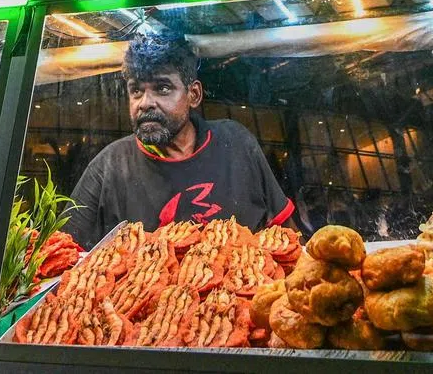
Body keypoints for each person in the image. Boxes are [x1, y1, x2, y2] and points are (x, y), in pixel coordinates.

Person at [65, 32, 294, 248]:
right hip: (142, 289)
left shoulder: (236, 143)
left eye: (162, 88)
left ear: (193, 95)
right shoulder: (109, 166)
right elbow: (66, 254)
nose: (145, 103)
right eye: (136, 90)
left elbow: (287, 237)